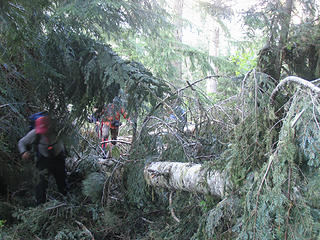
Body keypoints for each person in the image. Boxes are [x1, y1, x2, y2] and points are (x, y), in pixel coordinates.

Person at [18, 115, 67, 205]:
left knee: (61, 181)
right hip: (44, 160)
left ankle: (65, 201)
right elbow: (21, 142)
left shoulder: (58, 130)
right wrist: (23, 152)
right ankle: (40, 205)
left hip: (58, 158)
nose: (44, 133)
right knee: (41, 184)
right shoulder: (35, 133)